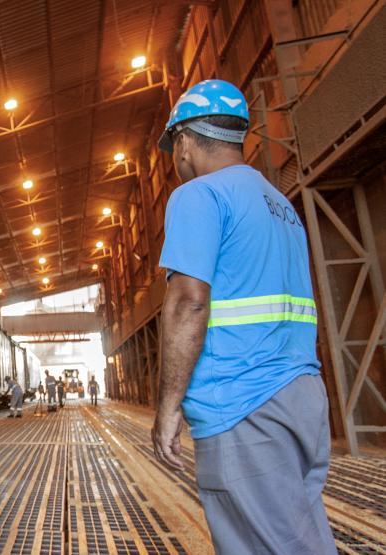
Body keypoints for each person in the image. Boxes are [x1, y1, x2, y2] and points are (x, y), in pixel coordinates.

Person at [151, 79, 336, 555]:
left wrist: (168, 407)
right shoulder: (279, 205)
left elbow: (188, 302)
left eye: (175, 150)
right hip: (301, 397)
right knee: (299, 537)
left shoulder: (198, 195)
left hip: (243, 403)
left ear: (185, 141)